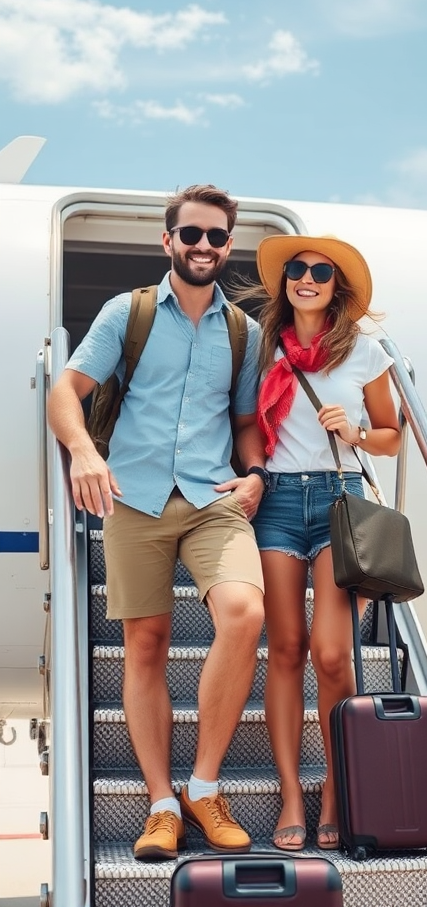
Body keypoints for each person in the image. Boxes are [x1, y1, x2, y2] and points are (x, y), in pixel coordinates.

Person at [47, 185, 269, 861]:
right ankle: (162, 806)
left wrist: (257, 473)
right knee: (145, 648)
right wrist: (84, 450)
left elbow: (245, 423)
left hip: (211, 499)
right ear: (167, 240)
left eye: (216, 237)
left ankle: (204, 786)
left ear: (228, 247)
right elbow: (66, 391)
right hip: (135, 497)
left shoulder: (244, 332)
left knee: (243, 614)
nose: (204, 246)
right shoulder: (129, 312)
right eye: (191, 234)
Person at [250, 234, 401, 851]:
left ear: (337, 287)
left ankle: (337, 791)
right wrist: (254, 474)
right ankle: (291, 794)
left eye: (319, 271)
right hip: (279, 502)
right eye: (296, 269)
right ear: (284, 282)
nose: (305, 278)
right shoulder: (262, 348)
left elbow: (393, 435)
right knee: (285, 648)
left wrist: (358, 433)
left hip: (339, 500)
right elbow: (245, 425)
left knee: (332, 656)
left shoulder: (363, 353)